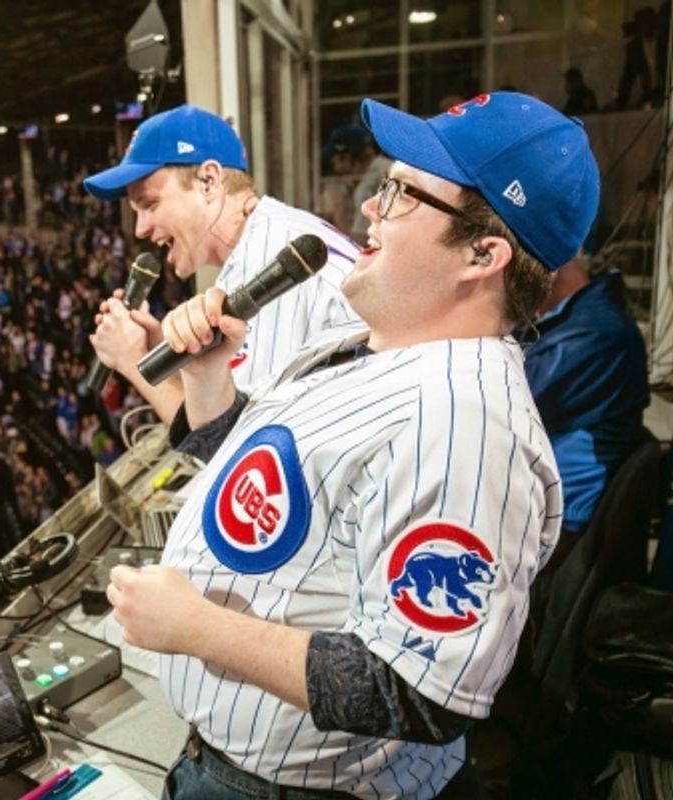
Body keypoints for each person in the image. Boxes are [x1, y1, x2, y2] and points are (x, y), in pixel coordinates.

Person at [107, 91, 599, 798]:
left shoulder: (461, 426)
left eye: (402, 194)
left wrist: (195, 628)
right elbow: (266, 473)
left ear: (482, 254)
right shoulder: (377, 344)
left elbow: (417, 693)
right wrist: (210, 377)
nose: (370, 206)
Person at [84, 104, 360, 423]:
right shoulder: (268, 238)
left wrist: (132, 360)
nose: (140, 229)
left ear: (209, 181)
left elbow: (236, 441)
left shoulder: (273, 267)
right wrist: (163, 349)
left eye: (150, 205)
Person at [525, 252, 649, 543]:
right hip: (544, 504)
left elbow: (508, 405)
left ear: (549, 268)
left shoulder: (594, 334)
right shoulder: (573, 321)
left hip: (562, 521)